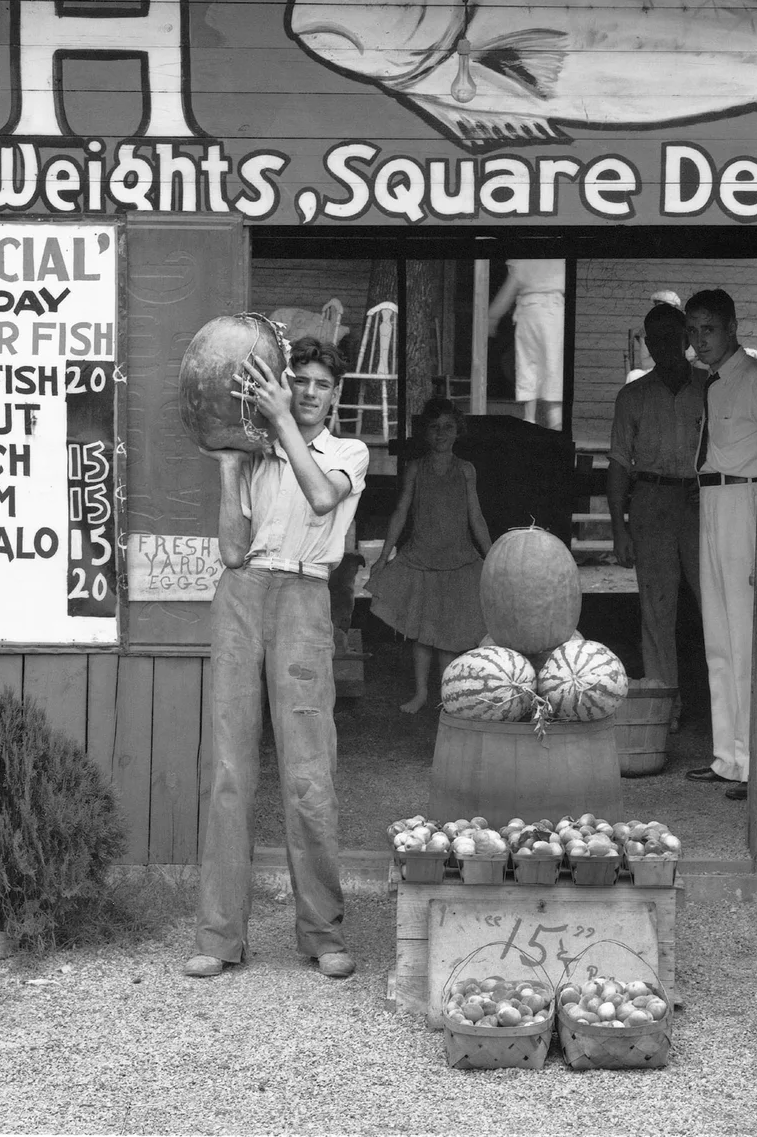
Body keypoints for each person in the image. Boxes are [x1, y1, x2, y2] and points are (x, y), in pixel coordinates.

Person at [186, 338, 369, 982]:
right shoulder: (260, 454)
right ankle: (219, 937)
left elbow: (322, 499)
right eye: (302, 381)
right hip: (242, 594)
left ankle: (322, 933)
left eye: (323, 384)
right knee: (231, 769)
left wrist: (283, 419)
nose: (312, 391)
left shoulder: (347, 453)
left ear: (335, 396)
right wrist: (232, 467)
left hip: (303, 592)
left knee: (309, 773)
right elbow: (233, 553)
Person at [606, 303, 705, 728]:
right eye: (655, 338)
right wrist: (618, 529)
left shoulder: (710, 386)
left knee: (717, 604)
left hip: (702, 500)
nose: (665, 345)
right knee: (656, 608)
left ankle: (726, 704)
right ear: (647, 343)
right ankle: (666, 707)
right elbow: (617, 465)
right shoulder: (633, 395)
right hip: (651, 499)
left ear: (686, 338)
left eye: (672, 335)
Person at [368, 400, 492, 711]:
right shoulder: (416, 468)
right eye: (434, 428)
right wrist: (384, 555)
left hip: (458, 559)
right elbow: (401, 511)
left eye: (448, 427)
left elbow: (475, 515)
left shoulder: (466, 470)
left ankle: (447, 694)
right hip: (421, 558)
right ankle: (422, 693)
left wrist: (492, 557)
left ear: (458, 432)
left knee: (449, 635)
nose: (441, 433)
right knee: (422, 634)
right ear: (425, 433)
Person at [684, 288, 757, 799]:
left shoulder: (755, 380)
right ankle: (727, 757)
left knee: (743, 637)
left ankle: (753, 761)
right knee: (718, 639)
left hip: (744, 502)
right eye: (693, 329)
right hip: (711, 501)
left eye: (708, 328)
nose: (698, 339)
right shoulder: (710, 386)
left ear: (732, 326)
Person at [485, 258, 565, 429]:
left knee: (529, 365)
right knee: (553, 364)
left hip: (531, 311)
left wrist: (492, 317)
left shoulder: (524, 261)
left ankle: (530, 418)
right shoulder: (560, 261)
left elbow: (508, 290)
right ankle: (555, 418)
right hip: (554, 311)